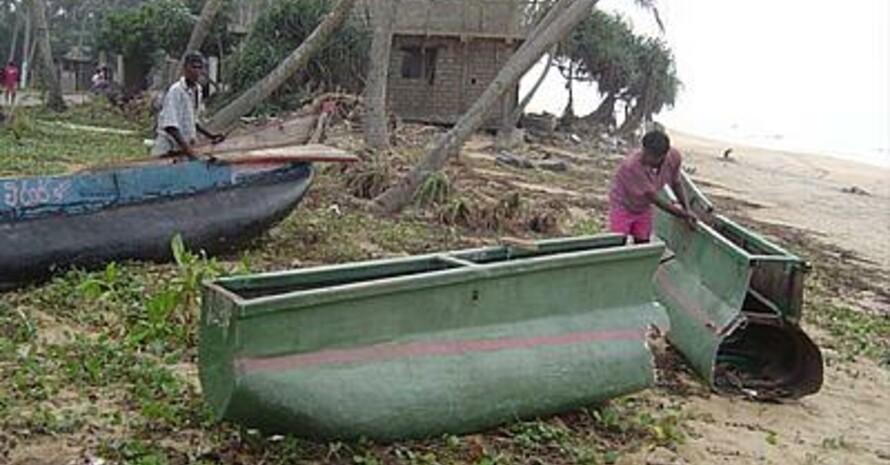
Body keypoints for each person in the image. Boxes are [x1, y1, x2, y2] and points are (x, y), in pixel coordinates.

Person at [608, 129, 696, 243]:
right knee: (617, 241)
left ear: (663, 155)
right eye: (645, 152)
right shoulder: (632, 166)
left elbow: (676, 183)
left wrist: (687, 209)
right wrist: (685, 215)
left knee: (643, 242)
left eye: (651, 156)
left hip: (644, 207)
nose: (646, 158)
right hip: (623, 204)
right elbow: (655, 199)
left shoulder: (674, 158)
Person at [151, 52, 224, 158]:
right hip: (168, 149)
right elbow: (170, 126)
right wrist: (190, 152)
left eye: (199, 68)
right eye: (193, 67)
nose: (197, 71)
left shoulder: (198, 90)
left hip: (183, 150)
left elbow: (193, 121)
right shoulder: (176, 91)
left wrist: (211, 136)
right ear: (185, 68)